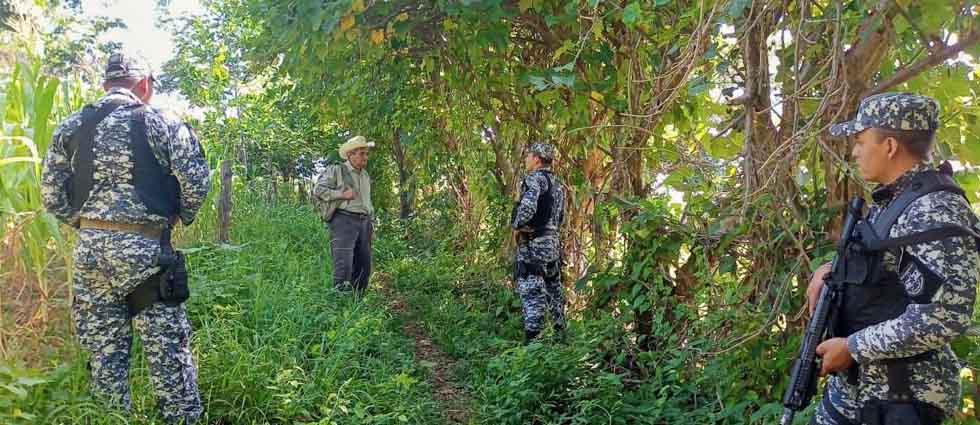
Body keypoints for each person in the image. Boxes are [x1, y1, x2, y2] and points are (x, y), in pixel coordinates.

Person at [41, 52, 209, 423]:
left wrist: (88, 225)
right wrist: (180, 215)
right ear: (144, 84)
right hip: (146, 254)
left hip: (90, 254)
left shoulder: (71, 125)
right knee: (169, 356)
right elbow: (197, 181)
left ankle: (110, 418)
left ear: (107, 83)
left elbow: (51, 196)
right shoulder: (161, 120)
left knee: (104, 357)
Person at [806, 92, 979, 425]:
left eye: (861, 141)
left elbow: (943, 316)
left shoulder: (934, 210)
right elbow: (885, 270)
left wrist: (853, 347)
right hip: (859, 391)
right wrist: (830, 270)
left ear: (889, 146)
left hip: (903, 397)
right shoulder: (899, 198)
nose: (854, 151)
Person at [511, 142, 567, 343]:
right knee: (554, 292)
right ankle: (561, 339)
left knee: (532, 292)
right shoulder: (558, 184)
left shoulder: (534, 179)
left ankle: (532, 346)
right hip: (552, 245)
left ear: (536, 159)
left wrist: (517, 226)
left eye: (528, 155)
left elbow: (527, 208)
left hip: (534, 245)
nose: (526, 159)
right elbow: (561, 217)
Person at [313, 135, 375, 291]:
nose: (366, 157)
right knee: (343, 265)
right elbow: (318, 190)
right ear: (350, 155)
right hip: (344, 221)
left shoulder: (365, 175)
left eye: (367, 154)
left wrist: (371, 224)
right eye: (362, 153)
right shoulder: (336, 170)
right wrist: (341, 194)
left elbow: (367, 202)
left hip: (365, 223)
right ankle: (339, 301)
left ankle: (357, 301)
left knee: (364, 266)